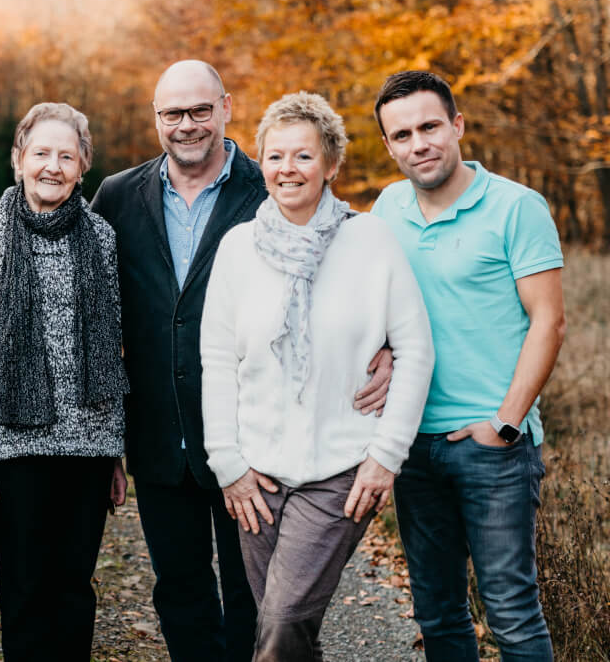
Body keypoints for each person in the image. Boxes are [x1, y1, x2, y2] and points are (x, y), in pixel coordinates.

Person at [90, 61, 395, 662]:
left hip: (254, 438)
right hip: (157, 433)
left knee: (253, 597)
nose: (187, 125)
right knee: (179, 591)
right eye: (172, 114)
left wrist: (384, 346)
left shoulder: (273, 184)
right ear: (156, 119)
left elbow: (352, 267)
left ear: (226, 108)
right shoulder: (118, 197)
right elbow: (91, 314)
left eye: (200, 110)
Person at [199, 91, 434, 661]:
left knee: (280, 624)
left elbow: (416, 348)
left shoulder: (370, 240)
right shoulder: (237, 248)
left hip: (340, 473)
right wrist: (228, 465)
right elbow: (218, 361)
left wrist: (386, 456)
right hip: (256, 476)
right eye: (275, 157)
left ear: (331, 164)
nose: (288, 170)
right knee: (284, 631)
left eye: (304, 157)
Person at [370, 71, 566, 662]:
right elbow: (377, 305)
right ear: (389, 145)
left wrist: (505, 423)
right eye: (401, 134)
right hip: (413, 443)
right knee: (438, 611)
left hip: (494, 448)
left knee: (510, 612)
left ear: (457, 126)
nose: (418, 144)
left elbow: (549, 322)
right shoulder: (386, 207)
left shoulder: (517, 208)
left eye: (430, 126)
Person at [0, 102, 130, 662]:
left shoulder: (102, 239)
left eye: (67, 155)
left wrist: (115, 450)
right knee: (23, 592)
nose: (53, 166)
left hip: (88, 448)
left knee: (73, 592)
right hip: (8, 446)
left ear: (84, 166)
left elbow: (115, 350)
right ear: (18, 159)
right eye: (41, 152)